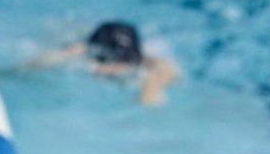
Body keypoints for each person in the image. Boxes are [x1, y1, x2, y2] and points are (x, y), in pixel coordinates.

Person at [22, 21, 179, 107]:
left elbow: (162, 79)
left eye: (120, 63)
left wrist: (151, 87)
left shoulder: (148, 66)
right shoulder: (81, 58)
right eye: (106, 62)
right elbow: (31, 65)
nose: (110, 69)